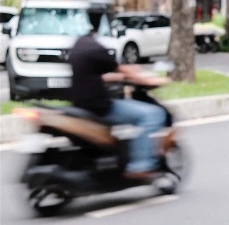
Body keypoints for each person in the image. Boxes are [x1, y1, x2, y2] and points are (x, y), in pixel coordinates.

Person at [68, 12, 168, 180]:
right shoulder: (95, 48)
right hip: (101, 108)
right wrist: (150, 80)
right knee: (152, 114)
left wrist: (119, 77)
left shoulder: (79, 45)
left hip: (81, 104)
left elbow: (97, 75)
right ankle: (141, 165)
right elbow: (121, 69)